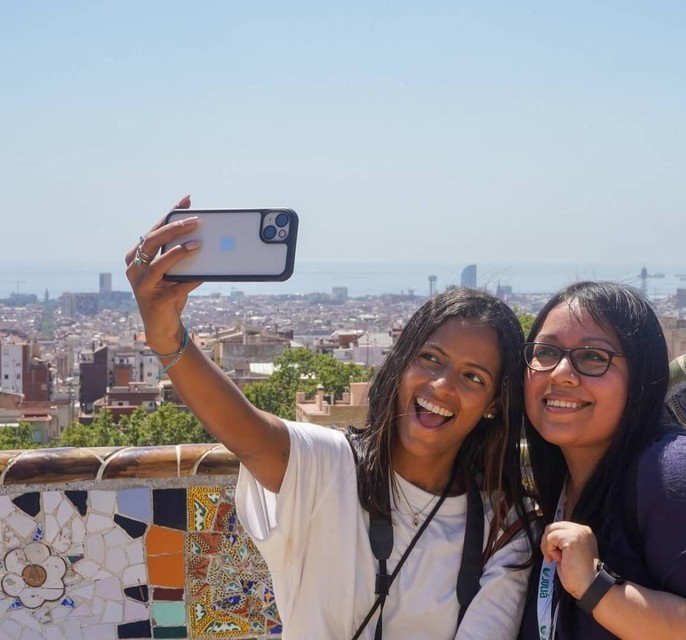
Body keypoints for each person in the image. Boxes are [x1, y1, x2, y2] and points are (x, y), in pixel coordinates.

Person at [125, 197, 535, 639]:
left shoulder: (503, 525)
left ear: (495, 401)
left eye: (473, 377)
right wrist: (167, 338)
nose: (441, 386)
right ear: (401, 365)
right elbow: (247, 432)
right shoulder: (331, 469)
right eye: (430, 358)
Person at [516, 281, 686, 640]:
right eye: (546, 352)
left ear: (641, 377)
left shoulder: (674, 472)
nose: (560, 374)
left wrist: (594, 586)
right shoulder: (557, 485)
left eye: (592, 357)